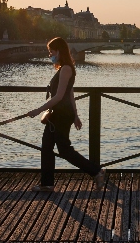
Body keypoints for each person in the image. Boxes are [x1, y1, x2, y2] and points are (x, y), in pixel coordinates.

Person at [26, 37, 106, 192]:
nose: (50, 55)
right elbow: (70, 93)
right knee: (47, 147)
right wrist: (75, 115)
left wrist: (38, 110)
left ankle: (97, 171)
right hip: (60, 113)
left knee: (64, 150)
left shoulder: (65, 69)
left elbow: (59, 96)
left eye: (51, 52)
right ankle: (47, 184)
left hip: (60, 115)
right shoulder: (64, 67)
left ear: (59, 51)